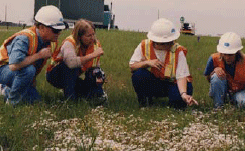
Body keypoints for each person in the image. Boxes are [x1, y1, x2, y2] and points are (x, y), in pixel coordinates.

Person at [0, 5, 66, 106]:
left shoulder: (52, 42)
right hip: (4, 69)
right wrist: (39, 55)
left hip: (20, 72)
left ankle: (5, 90)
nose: (59, 33)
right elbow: (13, 66)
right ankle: (12, 103)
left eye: (60, 30)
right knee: (28, 70)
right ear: (42, 27)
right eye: (55, 30)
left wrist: (32, 79)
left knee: (36, 101)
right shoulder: (24, 38)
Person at [129, 18, 198, 108]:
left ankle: (177, 100)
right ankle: (145, 102)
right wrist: (147, 63)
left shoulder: (178, 50)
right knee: (138, 74)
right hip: (156, 82)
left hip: (174, 84)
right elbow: (132, 66)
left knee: (178, 103)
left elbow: (181, 76)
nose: (172, 43)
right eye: (168, 42)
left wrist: (184, 94)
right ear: (157, 42)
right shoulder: (144, 45)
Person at [46, 19, 107, 104]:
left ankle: (94, 97)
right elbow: (71, 63)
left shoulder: (95, 44)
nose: (92, 38)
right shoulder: (70, 43)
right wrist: (92, 55)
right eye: (89, 36)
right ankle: (70, 100)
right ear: (79, 36)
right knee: (71, 68)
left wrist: (98, 76)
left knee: (96, 73)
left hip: (75, 75)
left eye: (93, 34)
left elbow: (95, 65)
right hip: (56, 74)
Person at [204, 32, 245, 108]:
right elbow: (208, 79)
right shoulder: (213, 59)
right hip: (222, 90)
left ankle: (234, 104)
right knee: (216, 77)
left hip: (240, 91)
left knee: (243, 102)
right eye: (224, 54)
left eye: (230, 54)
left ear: (237, 52)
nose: (227, 57)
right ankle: (218, 107)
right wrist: (214, 72)